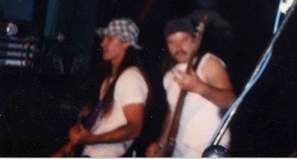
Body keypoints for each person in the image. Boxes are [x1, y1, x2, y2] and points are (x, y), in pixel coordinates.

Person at [53, 17, 150, 157]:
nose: (103, 43)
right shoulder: (109, 81)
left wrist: (93, 139)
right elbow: (96, 124)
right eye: (104, 38)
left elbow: (134, 128)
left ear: (126, 43)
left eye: (109, 38)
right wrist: (66, 148)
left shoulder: (131, 77)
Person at [146, 17, 236, 157]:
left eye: (183, 39)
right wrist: (161, 144)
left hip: (209, 150)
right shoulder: (169, 75)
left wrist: (200, 87)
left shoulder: (208, 62)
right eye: (172, 42)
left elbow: (231, 101)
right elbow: (172, 114)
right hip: (179, 153)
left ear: (194, 40)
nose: (178, 47)